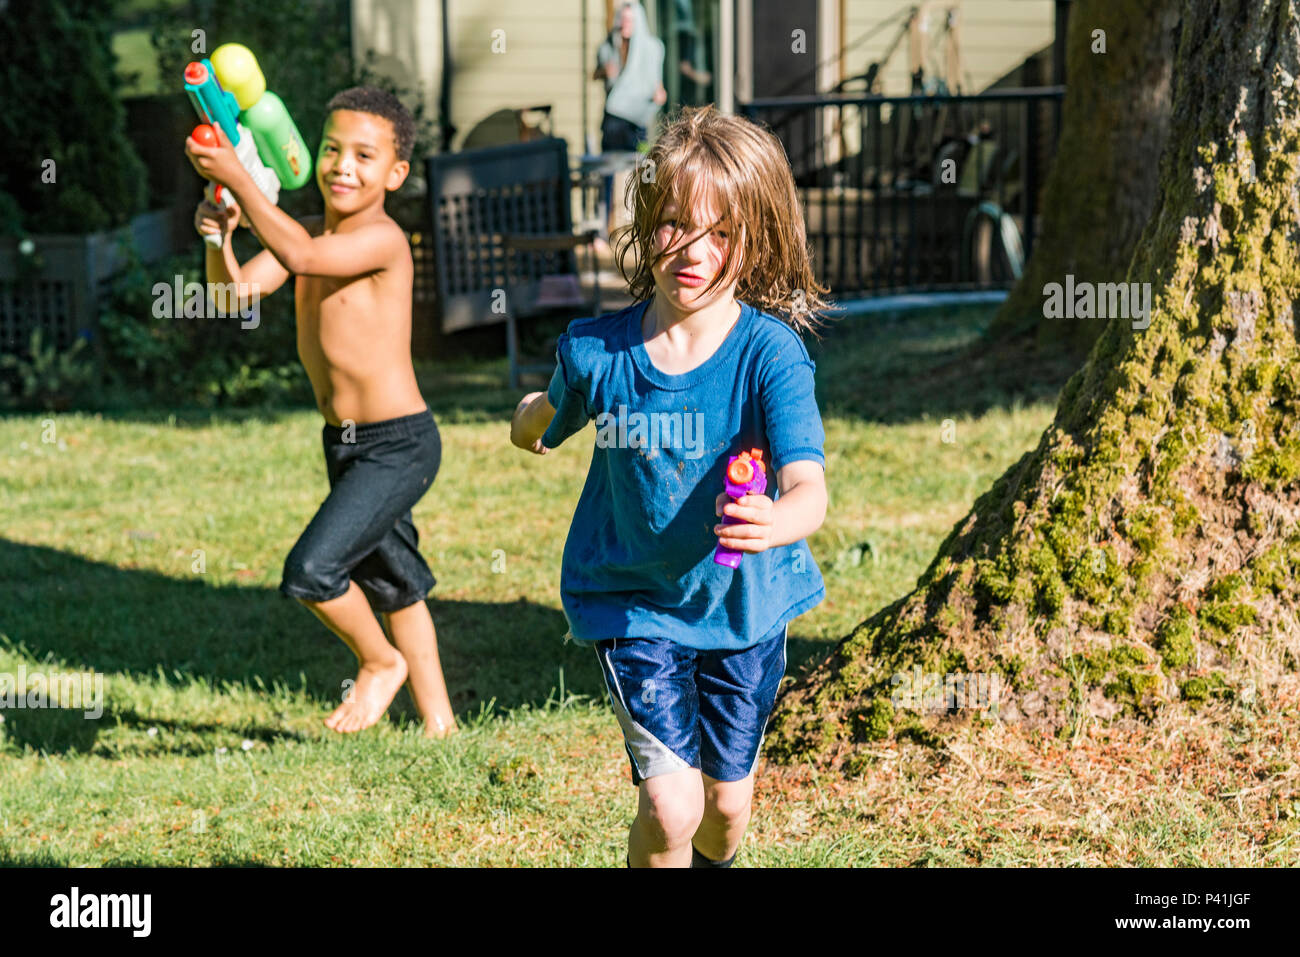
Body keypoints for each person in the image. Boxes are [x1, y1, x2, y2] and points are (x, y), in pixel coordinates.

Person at [510, 106, 831, 868]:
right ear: (647, 223)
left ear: (757, 239)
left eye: (722, 232)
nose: (694, 249)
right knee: (670, 802)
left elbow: (809, 487)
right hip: (631, 598)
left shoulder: (770, 355)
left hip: (745, 603)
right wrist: (527, 423)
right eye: (675, 224)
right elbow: (547, 415)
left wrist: (775, 520)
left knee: (724, 808)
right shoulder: (598, 352)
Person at [185, 87, 457, 739]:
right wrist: (218, 238)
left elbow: (304, 258)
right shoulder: (302, 236)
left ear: (395, 174)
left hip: (399, 446)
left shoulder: (383, 240)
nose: (342, 165)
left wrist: (238, 181)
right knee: (398, 583)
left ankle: (377, 661)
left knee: (313, 570)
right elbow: (233, 298)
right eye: (333, 149)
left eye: (365, 155)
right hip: (347, 444)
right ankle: (441, 725)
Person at [594, 1, 667, 151]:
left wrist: (659, 94)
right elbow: (595, 74)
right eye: (623, 19)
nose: (625, 23)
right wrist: (605, 71)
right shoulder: (609, 47)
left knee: (642, 169)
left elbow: (656, 83)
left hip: (637, 120)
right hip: (614, 118)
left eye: (630, 20)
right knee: (610, 168)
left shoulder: (649, 48)